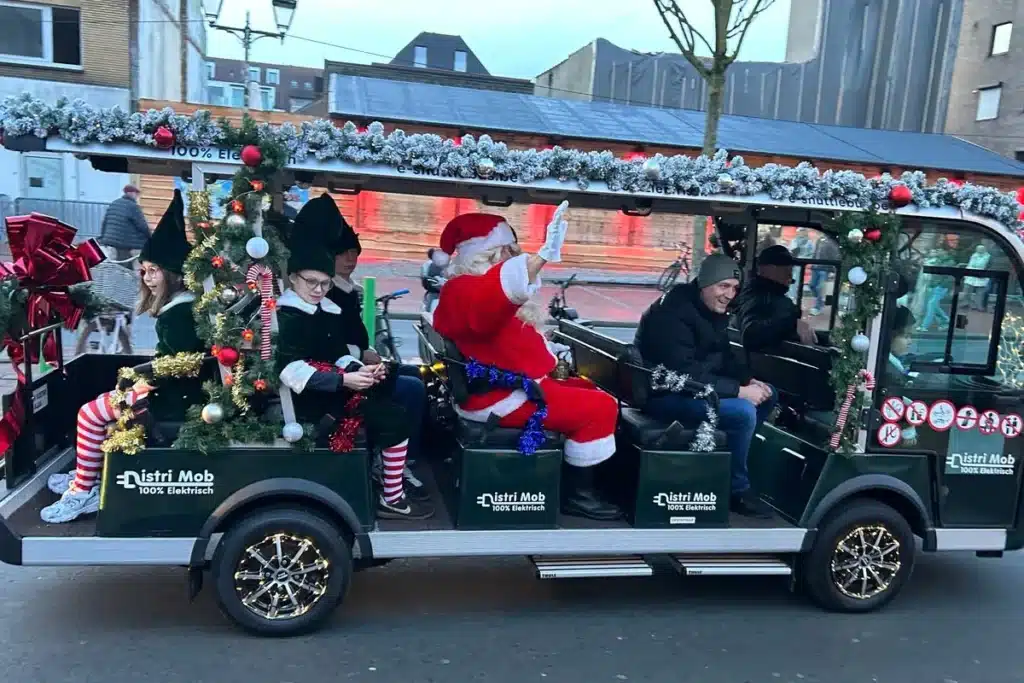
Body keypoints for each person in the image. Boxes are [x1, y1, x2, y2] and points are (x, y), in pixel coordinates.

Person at [431, 203, 623, 521]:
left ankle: (580, 477)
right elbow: (494, 298)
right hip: (500, 396)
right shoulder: (465, 290)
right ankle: (578, 494)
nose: (514, 254)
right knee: (600, 407)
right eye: (508, 249)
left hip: (505, 384)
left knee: (586, 387)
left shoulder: (468, 286)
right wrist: (541, 257)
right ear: (488, 253)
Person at [42, 190, 204, 523]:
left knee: (89, 414)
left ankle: (83, 491)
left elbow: (177, 365)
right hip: (167, 389)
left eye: (153, 271)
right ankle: (87, 476)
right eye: (144, 271)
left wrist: (137, 383)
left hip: (173, 398)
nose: (146, 278)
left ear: (171, 273)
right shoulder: (178, 307)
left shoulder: (180, 313)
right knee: (102, 403)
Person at [276, 199, 433, 521]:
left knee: (394, 395)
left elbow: (335, 353)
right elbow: (288, 368)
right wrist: (345, 379)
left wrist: (361, 369)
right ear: (294, 279)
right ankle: (391, 493)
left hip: (331, 387)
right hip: (312, 400)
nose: (319, 290)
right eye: (312, 283)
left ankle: (390, 479)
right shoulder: (292, 315)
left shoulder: (322, 309)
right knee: (394, 415)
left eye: (324, 284)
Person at [634, 253, 776, 518]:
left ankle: (730, 464)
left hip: (692, 388)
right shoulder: (673, 313)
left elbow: (722, 356)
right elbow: (682, 373)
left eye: (734, 288)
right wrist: (738, 391)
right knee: (743, 412)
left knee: (768, 395)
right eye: (723, 286)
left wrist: (747, 379)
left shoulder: (706, 310)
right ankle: (736, 489)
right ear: (704, 284)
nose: (729, 294)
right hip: (664, 394)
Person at [77, 184, 150, 354]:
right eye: (136, 194)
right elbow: (142, 226)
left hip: (110, 244)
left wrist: (103, 239)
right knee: (128, 276)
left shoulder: (114, 204)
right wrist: (151, 240)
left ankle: (110, 300)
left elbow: (104, 224)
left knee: (113, 273)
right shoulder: (133, 207)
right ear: (132, 194)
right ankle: (123, 303)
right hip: (126, 246)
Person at [733, 244, 817, 351]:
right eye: (787, 271)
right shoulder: (762, 297)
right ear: (770, 270)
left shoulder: (753, 293)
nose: (791, 277)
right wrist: (793, 323)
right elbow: (750, 336)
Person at [807, 234, 840, 316]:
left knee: (819, 288)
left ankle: (818, 307)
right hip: (815, 267)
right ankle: (819, 299)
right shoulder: (820, 239)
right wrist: (812, 263)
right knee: (812, 285)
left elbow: (834, 256)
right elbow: (815, 252)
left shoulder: (832, 241)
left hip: (824, 268)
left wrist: (833, 270)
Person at [421, 248, 447, 313]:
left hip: (436, 291)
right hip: (435, 291)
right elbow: (425, 279)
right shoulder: (429, 264)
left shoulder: (427, 264)